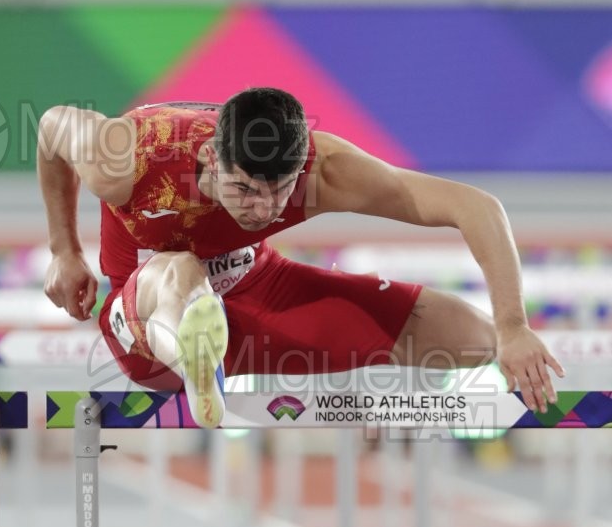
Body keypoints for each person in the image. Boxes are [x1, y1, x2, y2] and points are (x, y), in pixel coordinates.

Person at [38, 88, 563, 428]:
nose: (263, 209)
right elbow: (50, 128)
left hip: (256, 290)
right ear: (212, 158)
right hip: (148, 320)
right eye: (244, 189)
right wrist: (65, 250)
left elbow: (476, 206)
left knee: (474, 338)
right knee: (179, 271)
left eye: (280, 191)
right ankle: (195, 358)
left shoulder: (325, 171)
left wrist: (515, 327)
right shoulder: (128, 157)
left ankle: (209, 347)